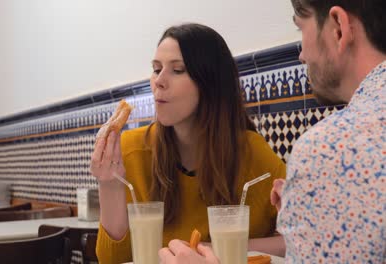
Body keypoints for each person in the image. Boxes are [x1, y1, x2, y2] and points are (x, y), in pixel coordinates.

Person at [160, 1, 386, 263]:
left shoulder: (329, 149)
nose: (302, 55)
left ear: (338, 27)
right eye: (157, 69)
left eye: (301, 29)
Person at [90, 23, 286, 264]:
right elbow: (112, 260)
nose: (158, 82)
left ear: (210, 83)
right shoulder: (131, 150)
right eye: (156, 69)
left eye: (178, 70)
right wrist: (108, 185)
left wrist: (217, 248)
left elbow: (296, 239)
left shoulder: (251, 152)